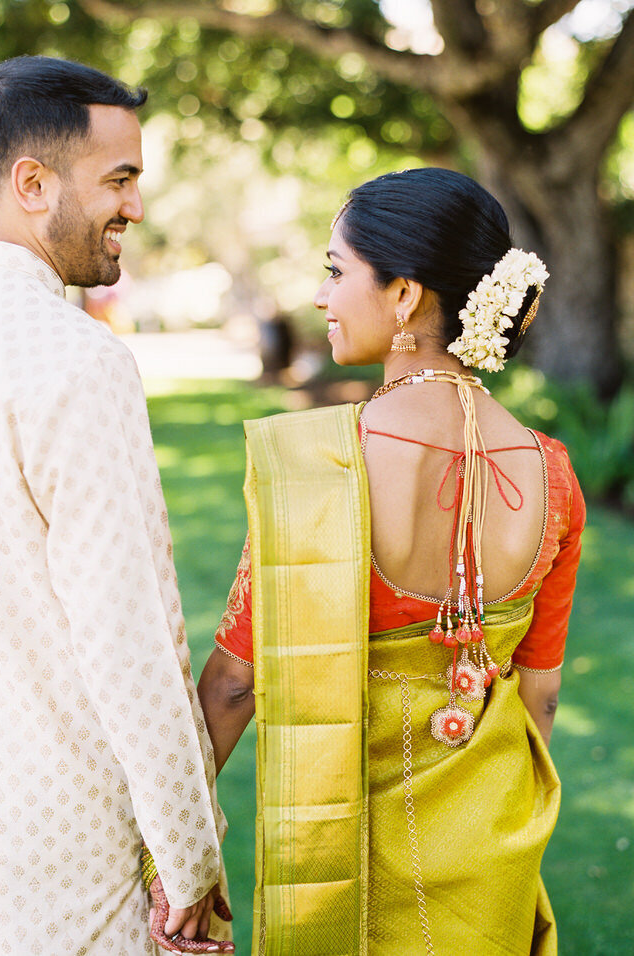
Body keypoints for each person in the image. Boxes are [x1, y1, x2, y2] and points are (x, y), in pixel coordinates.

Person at [197, 168, 585, 954]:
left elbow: (236, 681)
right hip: (492, 848)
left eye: (337, 271)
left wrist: (172, 847)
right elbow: (538, 698)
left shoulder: (318, 464)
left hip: (348, 851)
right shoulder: (554, 473)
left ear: (405, 295)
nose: (320, 296)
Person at [0, 56, 233, 954]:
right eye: (119, 180)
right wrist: (188, 859)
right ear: (32, 183)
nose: (135, 206)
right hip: (64, 856)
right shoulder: (78, 362)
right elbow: (130, 639)